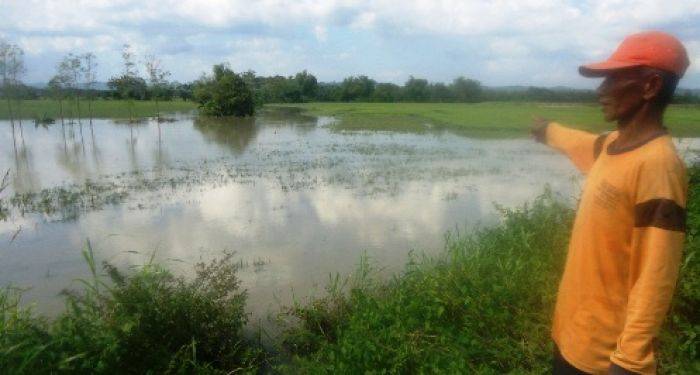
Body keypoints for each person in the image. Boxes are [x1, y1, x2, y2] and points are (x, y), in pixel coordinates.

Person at [531, 31, 691, 374]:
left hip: (603, 359)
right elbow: (581, 143)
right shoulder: (613, 146)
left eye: (614, 79)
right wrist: (547, 131)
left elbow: (656, 275)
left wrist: (629, 361)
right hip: (572, 334)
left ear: (649, 86)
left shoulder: (658, 166)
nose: (601, 92)